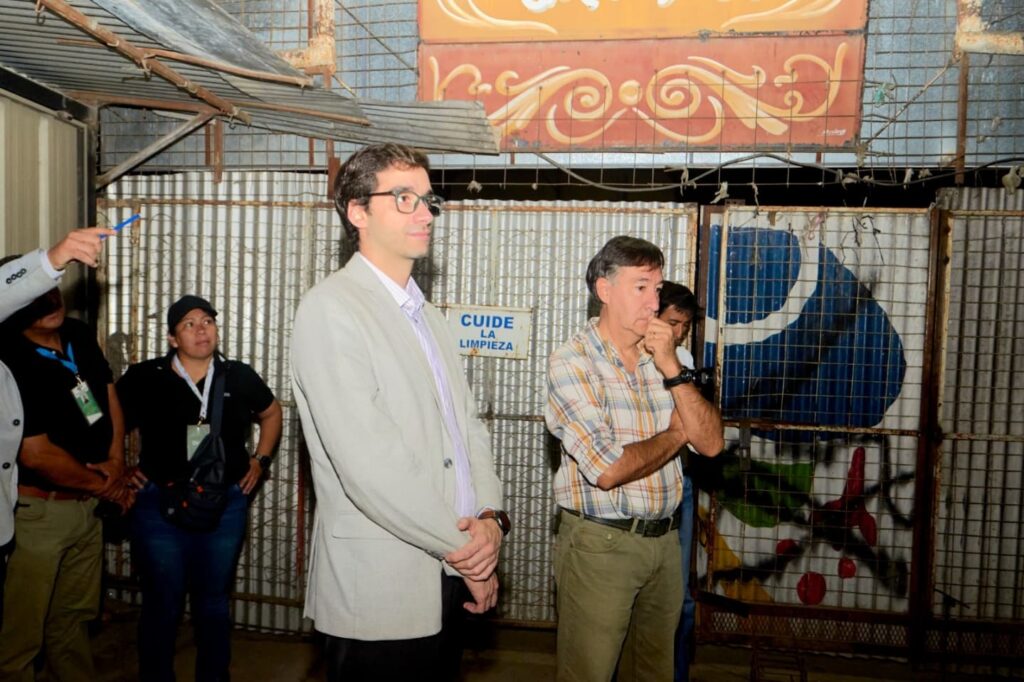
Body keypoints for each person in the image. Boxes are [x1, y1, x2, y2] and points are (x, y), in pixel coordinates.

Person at [291, 143, 509, 681]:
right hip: (382, 585)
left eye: (429, 199)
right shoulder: (332, 308)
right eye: (404, 198)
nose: (425, 213)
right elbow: (370, 464)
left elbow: (467, 430)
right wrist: (467, 549)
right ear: (357, 212)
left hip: (449, 567)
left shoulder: (427, 315)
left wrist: (490, 521)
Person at [545, 236, 723, 682]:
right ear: (604, 290)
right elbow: (608, 470)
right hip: (600, 545)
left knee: (654, 671)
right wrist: (675, 434)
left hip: (664, 543)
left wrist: (671, 369)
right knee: (590, 672)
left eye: (658, 288)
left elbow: (712, 443)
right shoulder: (573, 362)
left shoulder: (673, 356)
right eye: (641, 287)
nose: (654, 301)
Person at [116, 295, 282, 682]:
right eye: (188, 324)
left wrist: (261, 461)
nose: (201, 329)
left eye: (207, 320)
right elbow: (112, 417)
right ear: (173, 338)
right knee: (162, 601)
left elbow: (272, 413)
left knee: (212, 601)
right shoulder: (147, 375)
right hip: (159, 502)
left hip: (226, 502)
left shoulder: (237, 375)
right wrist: (118, 466)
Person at [0, 238, 132, 681]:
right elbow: (35, 452)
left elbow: (107, 394)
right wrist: (107, 486)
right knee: (21, 636)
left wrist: (117, 461)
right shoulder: (10, 359)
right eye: (33, 297)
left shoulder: (77, 334)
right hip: (41, 513)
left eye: (51, 290)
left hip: (88, 510)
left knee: (74, 620)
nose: (49, 302)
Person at [658, 280, 705, 682]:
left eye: (683, 327)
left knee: (682, 600)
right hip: (640, 485)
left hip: (680, 482)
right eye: (673, 323)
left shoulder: (683, 358)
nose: (678, 334)